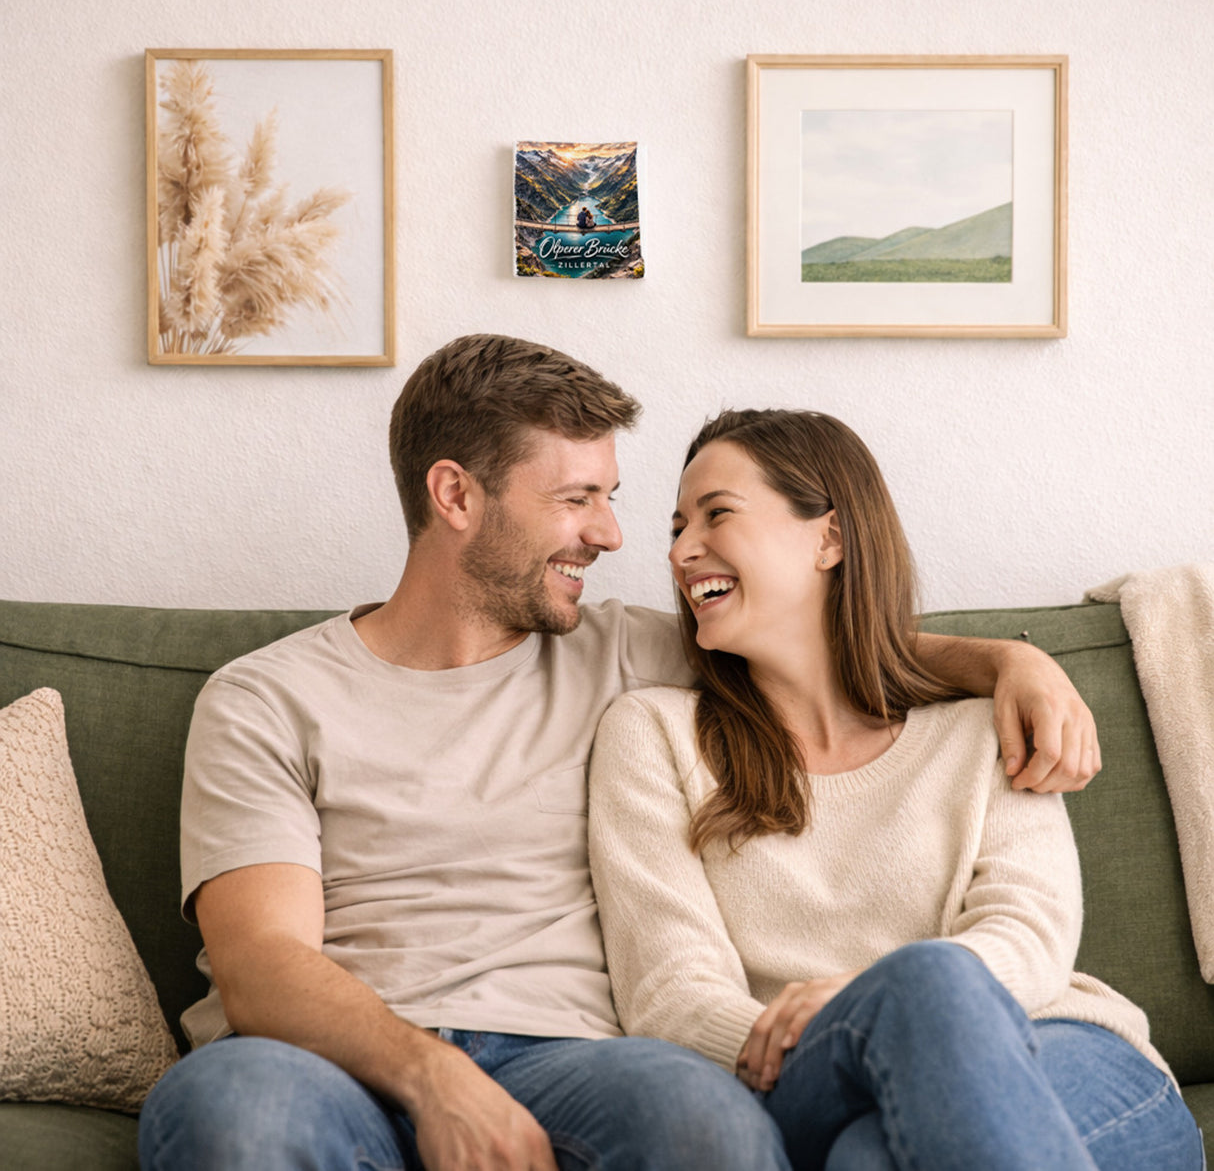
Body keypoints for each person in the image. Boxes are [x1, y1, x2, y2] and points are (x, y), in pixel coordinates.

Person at [138, 337, 1103, 1171]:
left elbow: (819, 639)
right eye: (577, 499)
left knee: (703, 1123)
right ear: (455, 495)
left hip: (571, 1059)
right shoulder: (267, 697)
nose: (611, 534)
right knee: (234, 1109)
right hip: (325, 1062)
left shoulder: (627, 652)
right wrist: (435, 1079)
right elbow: (263, 964)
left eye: (612, 498)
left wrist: (1008, 661)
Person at [587, 408, 1203, 1171]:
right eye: (677, 528)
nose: (680, 551)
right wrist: (869, 1016)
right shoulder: (654, 735)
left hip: (1056, 1047)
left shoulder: (980, 727)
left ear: (830, 539)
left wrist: (890, 999)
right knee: (921, 985)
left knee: (872, 1153)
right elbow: (671, 992)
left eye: (717, 514)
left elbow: (1030, 935)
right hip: (804, 1076)